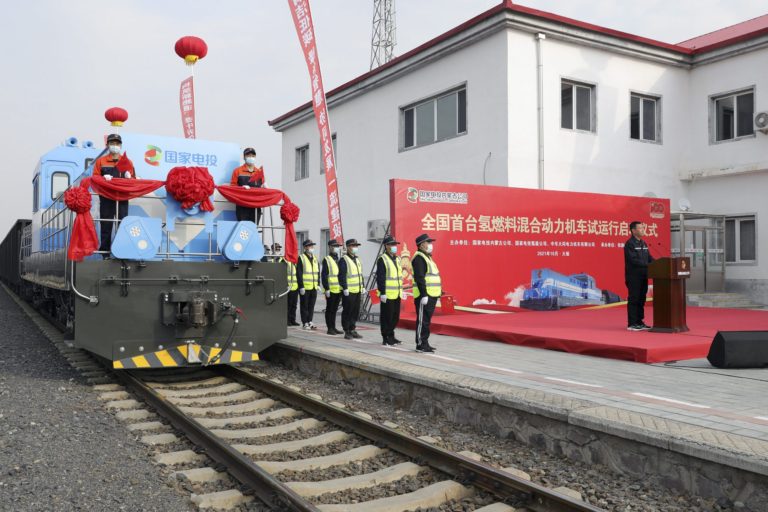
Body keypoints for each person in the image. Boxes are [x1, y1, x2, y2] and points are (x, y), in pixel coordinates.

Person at [93, 134, 135, 257]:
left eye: (117, 143)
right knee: (106, 224)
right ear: (107, 145)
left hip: (122, 198)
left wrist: (129, 177)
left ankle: (121, 251)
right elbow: (95, 178)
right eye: (112, 143)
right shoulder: (101, 161)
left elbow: (133, 180)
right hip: (106, 197)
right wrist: (102, 178)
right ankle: (105, 253)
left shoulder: (127, 161)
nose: (115, 146)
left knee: (123, 224)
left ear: (120, 145)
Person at [411, 233, 440, 352]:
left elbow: (431, 277)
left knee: (427, 321)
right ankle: (420, 344)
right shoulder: (418, 258)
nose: (430, 245)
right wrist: (423, 294)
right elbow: (420, 278)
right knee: (422, 321)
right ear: (421, 244)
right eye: (428, 242)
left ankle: (425, 342)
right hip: (424, 296)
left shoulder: (428, 257)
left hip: (431, 295)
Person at [624, 221, 654, 331]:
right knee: (634, 299)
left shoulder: (643, 243)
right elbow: (633, 260)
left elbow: (649, 257)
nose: (643, 230)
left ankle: (639, 322)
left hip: (644, 276)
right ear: (633, 230)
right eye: (640, 228)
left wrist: (657, 263)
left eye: (643, 228)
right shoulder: (630, 244)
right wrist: (648, 264)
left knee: (642, 299)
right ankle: (632, 323)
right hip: (634, 277)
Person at [376, 236, 404, 346]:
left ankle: (391, 335)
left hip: (396, 293)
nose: (394, 247)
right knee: (386, 316)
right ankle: (385, 337)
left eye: (395, 245)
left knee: (395, 316)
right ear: (386, 246)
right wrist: (382, 292)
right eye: (391, 245)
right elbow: (381, 277)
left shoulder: (397, 259)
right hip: (387, 294)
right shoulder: (382, 259)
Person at [229, 148, 265, 225]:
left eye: (253, 155)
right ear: (244, 157)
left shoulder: (259, 172)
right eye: (248, 155)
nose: (251, 157)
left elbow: (262, 188)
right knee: (243, 230)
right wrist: (241, 188)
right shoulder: (237, 171)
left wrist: (264, 186)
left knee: (253, 229)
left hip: (255, 206)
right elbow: (232, 188)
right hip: (242, 206)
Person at [339, 238, 364, 340]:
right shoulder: (344, 260)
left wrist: (363, 286)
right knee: (347, 311)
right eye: (353, 246)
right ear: (348, 247)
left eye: (356, 246)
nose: (355, 248)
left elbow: (360, 274)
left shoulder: (357, 259)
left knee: (355, 311)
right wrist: (345, 288)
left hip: (357, 290)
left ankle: (352, 328)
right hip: (348, 291)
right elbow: (342, 275)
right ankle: (347, 330)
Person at [296, 239, 319, 330]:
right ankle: (305, 322)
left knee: (311, 305)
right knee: (304, 305)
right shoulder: (301, 258)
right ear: (305, 247)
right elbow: (299, 273)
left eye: (312, 246)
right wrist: (301, 286)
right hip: (305, 287)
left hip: (313, 286)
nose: (312, 247)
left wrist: (318, 283)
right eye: (310, 246)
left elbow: (317, 272)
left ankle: (310, 321)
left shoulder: (315, 258)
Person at [321, 240, 343, 335]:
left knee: (334, 309)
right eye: (335, 246)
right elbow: (324, 275)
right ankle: (330, 328)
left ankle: (334, 327)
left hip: (338, 289)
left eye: (338, 246)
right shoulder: (327, 259)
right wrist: (326, 288)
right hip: (331, 289)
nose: (337, 248)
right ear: (330, 247)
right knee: (330, 309)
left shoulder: (338, 258)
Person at [280, 249, 300, 326]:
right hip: (288, 287)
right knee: (288, 305)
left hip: (295, 286)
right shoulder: (283, 261)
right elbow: (282, 274)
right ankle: (287, 320)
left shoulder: (294, 261)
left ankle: (292, 319)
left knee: (294, 305)